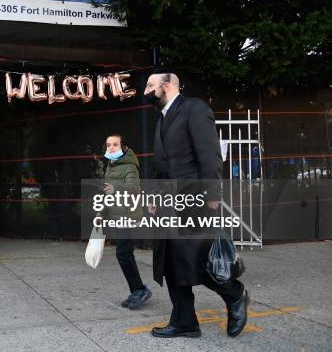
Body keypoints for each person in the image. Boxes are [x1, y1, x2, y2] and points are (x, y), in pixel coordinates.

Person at [144, 68, 248, 338]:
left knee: (198, 261)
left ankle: (235, 294)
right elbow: (160, 167)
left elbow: (210, 154)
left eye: (150, 85)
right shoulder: (161, 120)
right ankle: (185, 322)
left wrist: (212, 195)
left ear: (166, 85)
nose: (146, 91)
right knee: (170, 263)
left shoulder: (194, 109)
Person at [101, 134, 151, 309]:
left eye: (115, 145)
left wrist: (116, 188)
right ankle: (138, 289)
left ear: (125, 148)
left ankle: (140, 290)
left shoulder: (129, 166)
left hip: (127, 215)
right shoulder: (111, 166)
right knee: (125, 254)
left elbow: (134, 188)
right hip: (116, 214)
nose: (111, 148)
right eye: (108, 145)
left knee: (123, 253)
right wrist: (101, 213)